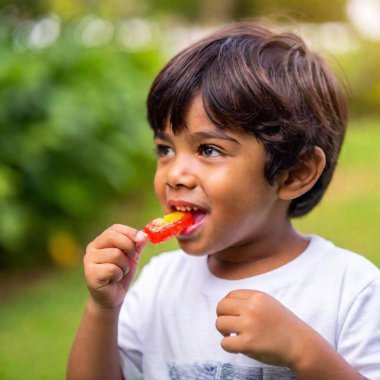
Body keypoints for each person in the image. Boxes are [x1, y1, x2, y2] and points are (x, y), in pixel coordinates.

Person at [67, 21, 380, 380]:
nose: (174, 174)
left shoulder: (350, 289)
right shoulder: (159, 284)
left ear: (294, 173)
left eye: (209, 149)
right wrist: (103, 310)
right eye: (165, 148)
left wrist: (303, 352)